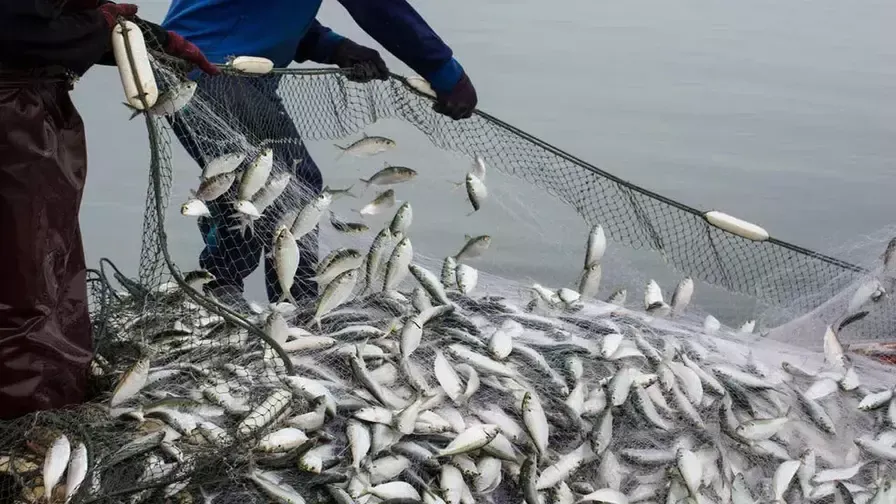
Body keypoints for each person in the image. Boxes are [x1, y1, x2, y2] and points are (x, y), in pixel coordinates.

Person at [162, 0, 479, 313]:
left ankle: (224, 292)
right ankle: (295, 309)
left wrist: (332, 47)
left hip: (194, 70)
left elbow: (257, 11)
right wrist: (445, 72)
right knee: (289, 186)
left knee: (248, 188)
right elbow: (378, 7)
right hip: (216, 73)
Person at [0, 0, 217, 420]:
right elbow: (17, 31)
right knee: (21, 278)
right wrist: (99, 27)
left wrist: (156, 38)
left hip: (32, 107)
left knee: (50, 262)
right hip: (11, 120)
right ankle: (26, 421)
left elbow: (46, 24)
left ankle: (56, 395)